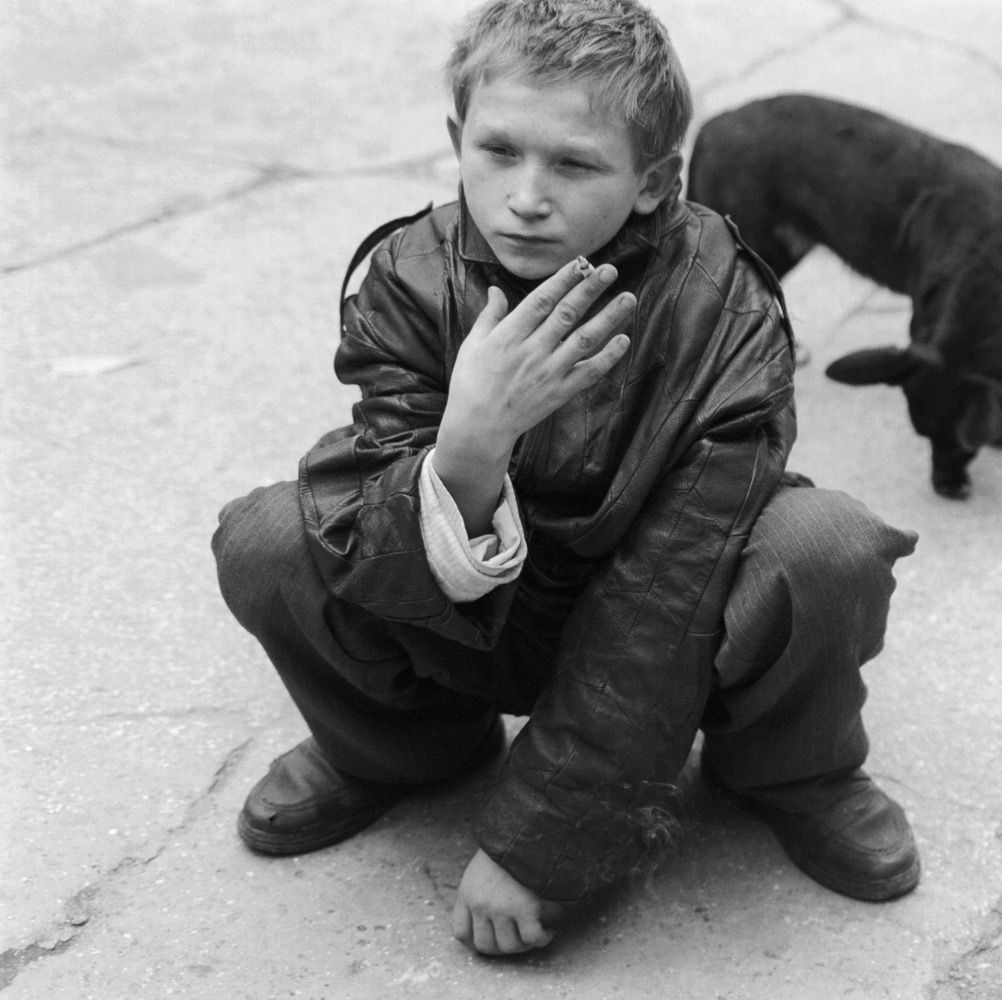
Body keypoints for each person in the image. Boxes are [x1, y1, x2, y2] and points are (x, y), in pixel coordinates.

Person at [213, 0, 920, 957]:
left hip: (677, 622)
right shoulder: (408, 279)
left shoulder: (725, 303)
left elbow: (673, 584)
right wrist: (469, 445)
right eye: (499, 151)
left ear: (653, 182)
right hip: (479, 616)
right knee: (265, 539)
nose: (525, 198)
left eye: (576, 165)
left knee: (825, 547)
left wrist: (543, 842)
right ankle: (408, 748)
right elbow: (367, 529)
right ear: (457, 140)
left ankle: (791, 770)